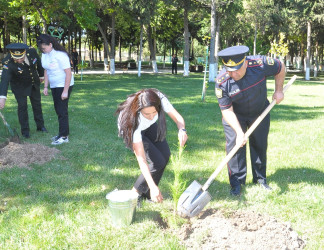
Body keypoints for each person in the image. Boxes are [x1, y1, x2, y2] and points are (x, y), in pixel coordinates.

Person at [215, 45, 286, 196]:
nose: (233, 74)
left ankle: (260, 180)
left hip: (260, 111)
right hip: (235, 116)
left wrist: (279, 90)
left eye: (237, 70)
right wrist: (240, 133)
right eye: (229, 70)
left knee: (259, 145)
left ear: (245, 63)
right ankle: (237, 184)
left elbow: (280, 67)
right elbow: (226, 110)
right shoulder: (222, 81)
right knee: (235, 146)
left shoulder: (260, 64)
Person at [116, 88, 188, 203]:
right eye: (147, 113)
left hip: (147, 125)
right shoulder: (132, 122)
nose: (151, 116)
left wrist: (182, 130)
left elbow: (178, 118)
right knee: (157, 162)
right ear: (139, 110)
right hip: (133, 128)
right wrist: (153, 186)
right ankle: (134, 195)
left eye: (154, 112)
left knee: (165, 155)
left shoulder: (158, 98)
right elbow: (142, 159)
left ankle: (150, 193)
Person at [0, 43, 47, 138]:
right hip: (19, 87)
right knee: (22, 107)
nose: (18, 60)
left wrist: (41, 75)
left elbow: (39, 62)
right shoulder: (7, 62)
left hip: (33, 83)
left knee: (37, 105)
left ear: (25, 53)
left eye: (20, 58)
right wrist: (2, 97)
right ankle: (25, 131)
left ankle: (40, 126)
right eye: (16, 58)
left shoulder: (32, 52)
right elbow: (4, 80)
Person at [36, 34, 74, 145]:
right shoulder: (45, 55)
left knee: (62, 110)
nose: (42, 50)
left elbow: (68, 73)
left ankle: (64, 136)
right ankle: (61, 133)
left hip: (64, 84)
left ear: (50, 44)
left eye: (44, 47)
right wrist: (46, 86)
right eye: (41, 48)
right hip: (54, 85)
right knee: (58, 109)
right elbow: (46, 71)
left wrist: (65, 90)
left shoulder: (60, 55)